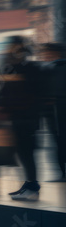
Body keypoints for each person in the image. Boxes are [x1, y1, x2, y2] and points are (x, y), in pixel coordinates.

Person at [0, 36, 42, 200]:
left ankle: (33, 187)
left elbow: (32, 91)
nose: (10, 50)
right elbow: (1, 90)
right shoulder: (9, 67)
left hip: (27, 118)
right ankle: (28, 184)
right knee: (22, 153)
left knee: (27, 153)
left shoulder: (30, 68)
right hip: (15, 117)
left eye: (14, 47)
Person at [39, 43, 66, 181]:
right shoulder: (47, 68)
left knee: (60, 143)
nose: (45, 56)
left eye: (48, 54)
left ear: (57, 54)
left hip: (58, 112)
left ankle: (63, 173)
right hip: (51, 113)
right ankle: (62, 173)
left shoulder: (56, 68)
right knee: (57, 143)